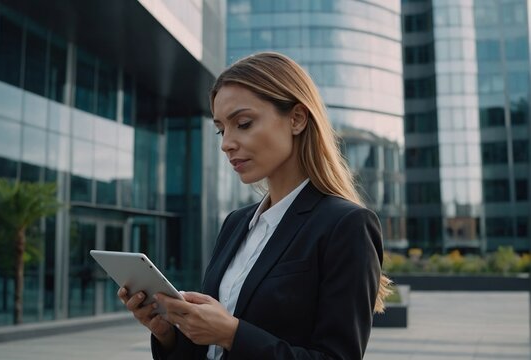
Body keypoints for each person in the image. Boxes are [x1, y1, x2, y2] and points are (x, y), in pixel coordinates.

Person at [118, 52, 391, 360]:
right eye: (222, 129)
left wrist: (231, 333)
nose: (226, 143)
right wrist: (168, 333)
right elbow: (211, 352)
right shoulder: (236, 223)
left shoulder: (347, 225)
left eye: (243, 123)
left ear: (297, 119)